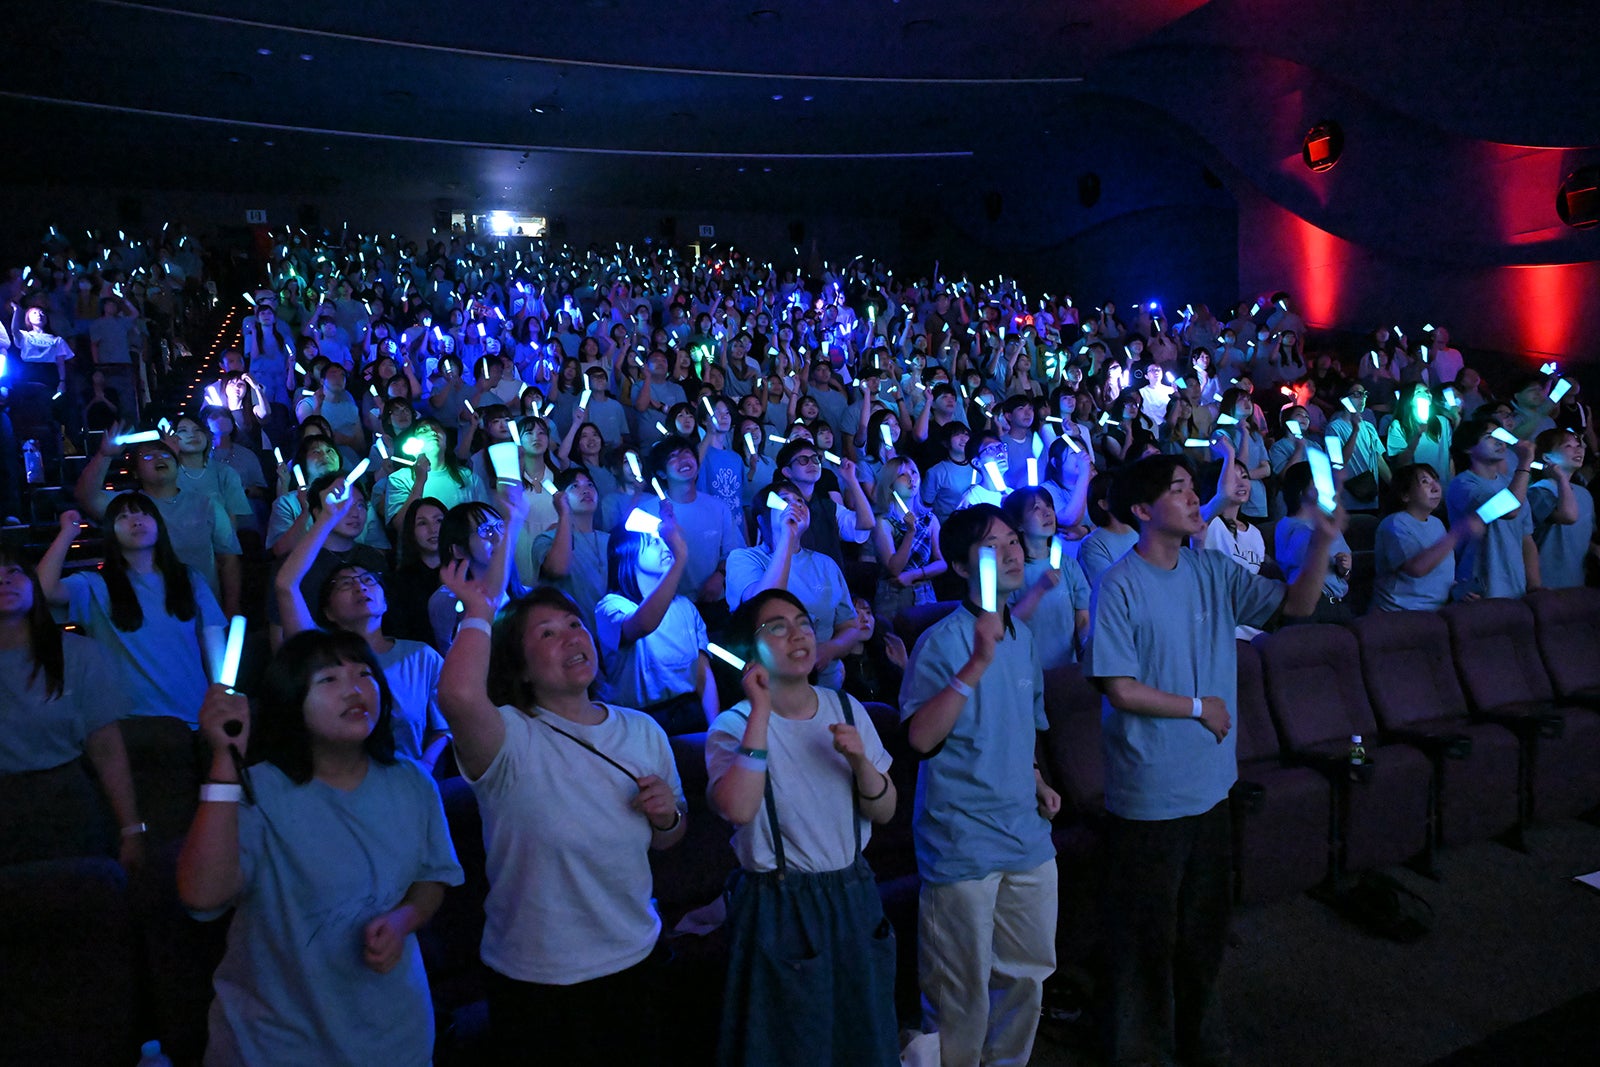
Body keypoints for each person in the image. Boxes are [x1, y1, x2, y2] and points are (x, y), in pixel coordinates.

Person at [1082, 453, 1338, 1067]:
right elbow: (1119, 687)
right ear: (1143, 511)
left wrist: (1323, 543)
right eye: (1178, 490)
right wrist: (1199, 706)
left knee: (1202, 929)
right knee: (1148, 936)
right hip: (1151, 791)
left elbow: (1295, 607)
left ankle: (1201, 1040)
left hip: (1211, 782)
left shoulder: (1213, 569)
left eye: (1193, 489)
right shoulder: (1119, 584)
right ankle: (1142, 1050)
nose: (1196, 498)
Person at [176, 631, 463, 1067]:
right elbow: (201, 894)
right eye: (328, 679)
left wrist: (403, 919)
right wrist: (223, 760)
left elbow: (432, 876)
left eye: (364, 674)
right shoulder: (260, 792)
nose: (354, 688)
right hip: (276, 1044)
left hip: (395, 1035)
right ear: (290, 700)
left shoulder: (412, 782)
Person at [436, 569, 686, 1066]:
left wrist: (665, 817)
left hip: (636, 953)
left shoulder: (643, 729)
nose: (571, 637)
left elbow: (671, 836)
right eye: (546, 634)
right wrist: (479, 615)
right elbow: (459, 697)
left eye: (575, 624)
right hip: (537, 977)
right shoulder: (507, 736)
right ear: (522, 668)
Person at [708, 589, 900, 1067]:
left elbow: (885, 810)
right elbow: (738, 808)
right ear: (750, 651)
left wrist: (861, 763)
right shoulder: (733, 726)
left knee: (864, 1036)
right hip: (779, 901)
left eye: (803, 622)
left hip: (853, 891)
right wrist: (759, 710)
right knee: (791, 1044)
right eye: (777, 626)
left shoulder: (849, 709)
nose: (798, 634)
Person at [899, 503, 1061, 1066]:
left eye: (1014, 539)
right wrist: (976, 663)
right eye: (994, 547)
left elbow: (1027, 723)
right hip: (961, 838)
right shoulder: (942, 642)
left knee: (1027, 978)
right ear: (962, 567)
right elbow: (920, 739)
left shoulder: (1022, 633)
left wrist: (1038, 779)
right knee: (958, 993)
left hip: (1025, 830)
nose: (1014, 551)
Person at [277, 488, 451, 771]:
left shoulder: (421, 656)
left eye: (368, 580)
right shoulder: (320, 653)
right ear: (328, 612)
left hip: (409, 780)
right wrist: (326, 519)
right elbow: (286, 585)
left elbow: (443, 727)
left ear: (385, 600)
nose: (359, 586)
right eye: (346, 584)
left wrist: (426, 767)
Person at [0, 549, 144, 868]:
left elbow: (106, 747)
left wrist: (131, 828)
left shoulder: (80, 655)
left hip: (63, 802)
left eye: (14, 573)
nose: (5, 582)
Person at [37, 497, 223, 726]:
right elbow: (43, 590)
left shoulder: (189, 578)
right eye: (123, 517)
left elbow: (213, 639)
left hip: (194, 715)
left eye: (144, 514)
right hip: (130, 724)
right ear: (110, 531)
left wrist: (222, 694)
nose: (136, 521)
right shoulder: (95, 585)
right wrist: (67, 533)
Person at [76, 425, 243, 615]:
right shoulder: (129, 506)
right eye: (148, 457)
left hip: (202, 608)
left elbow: (228, 559)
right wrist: (104, 455)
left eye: (165, 455)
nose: (158, 458)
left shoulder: (206, 504)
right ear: (136, 472)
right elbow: (86, 497)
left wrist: (231, 609)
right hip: (147, 610)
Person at [726, 479, 861, 691]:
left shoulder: (825, 564)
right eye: (784, 501)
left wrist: (831, 649)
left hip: (825, 683)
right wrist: (787, 536)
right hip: (772, 685)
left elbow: (850, 626)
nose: (795, 505)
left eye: (799, 501)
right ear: (762, 520)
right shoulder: (743, 559)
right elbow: (765, 603)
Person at [595, 521, 718, 736]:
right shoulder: (612, 606)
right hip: (640, 723)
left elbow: (703, 673)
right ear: (628, 551)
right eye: (653, 541)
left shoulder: (685, 606)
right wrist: (679, 561)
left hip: (689, 713)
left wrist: (715, 729)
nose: (665, 545)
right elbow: (643, 624)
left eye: (664, 540)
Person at [1446, 419, 1539, 599]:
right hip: (1479, 587)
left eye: (1500, 436)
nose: (1499, 441)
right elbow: (1509, 511)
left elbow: (1526, 539)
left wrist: (1534, 585)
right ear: (1468, 447)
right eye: (1489, 437)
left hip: (1516, 586)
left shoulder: (1511, 484)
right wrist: (1525, 463)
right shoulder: (1463, 484)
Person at [1003, 486, 1092, 669]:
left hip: (1066, 671)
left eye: (1049, 506)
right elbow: (1006, 627)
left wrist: (1088, 648)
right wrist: (1039, 589)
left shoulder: (1068, 565)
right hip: (1025, 672)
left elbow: (1083, 618)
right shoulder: (1010, 571)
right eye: (1036, 508)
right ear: (1018, 524)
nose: (1047, 513)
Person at [1373, 464, 1481, 612]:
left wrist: (1458, 590)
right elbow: (1416, 568)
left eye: (1435, 480)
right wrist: (1457, 533)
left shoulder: (1436, 523)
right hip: (1400, 615)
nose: (1436, 487)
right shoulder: (1395, 524)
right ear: (1406, 495)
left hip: (1435, 612)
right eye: (1425, 482)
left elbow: (1438, 573)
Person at [525, 467, 610, 636]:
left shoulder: (609, 540)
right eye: (574, 486)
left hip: (614, 638)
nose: (585, 490)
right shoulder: (547, 539)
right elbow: (557, 569)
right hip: (572, 636)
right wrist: (564, 514)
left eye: (590, 485)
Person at [1275, 462, 1356, 622]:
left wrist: (1344, 569)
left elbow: (1343, 573)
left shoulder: (1328, 524)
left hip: (1338, 603)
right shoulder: (1288, 525)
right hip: (1313, 605)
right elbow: (1300, 564)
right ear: (1301, 491)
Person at [1527, 427, 1591, 589]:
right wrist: (1561, 478)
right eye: (1568, 446)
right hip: (1547, 583)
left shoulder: (1583, 493)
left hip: (1577, 581)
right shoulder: (1539, 491)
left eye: (1578, 445)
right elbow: (1568, 516)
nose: (1578, 449)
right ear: (1547, 457)